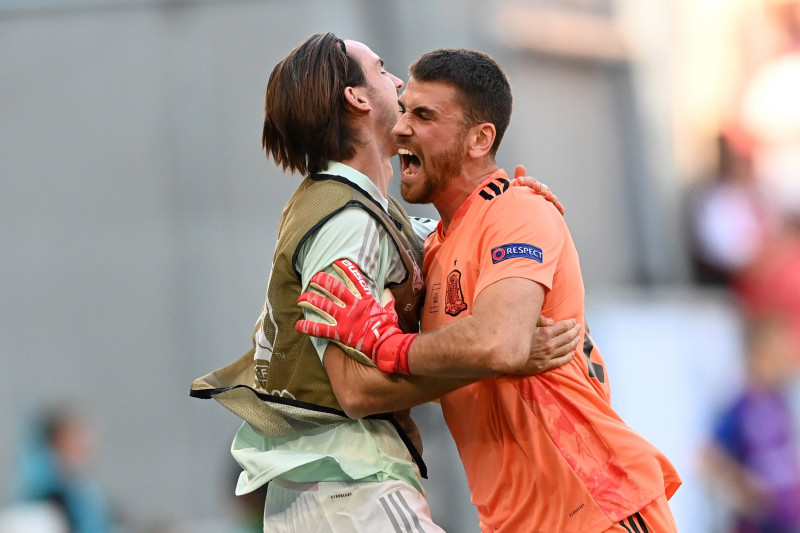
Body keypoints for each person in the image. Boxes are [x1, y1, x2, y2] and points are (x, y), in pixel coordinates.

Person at [190, 33, 579, 533]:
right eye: (381, 68)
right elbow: (352, 391)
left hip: (341, 490)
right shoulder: (344, 223)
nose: (397, 83)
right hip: (346, 489)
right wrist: (495, 359)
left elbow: (451, 237)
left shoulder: (364, 210)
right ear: (356, 97)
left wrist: (503, 199)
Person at [297, 48, 682, 532]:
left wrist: (389, 347)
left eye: (423, 115)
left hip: (596, 507)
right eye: (405, 109)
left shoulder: (517, 211)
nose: (399, 128)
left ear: (480, 139)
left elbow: (499, 342)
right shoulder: (434, 247)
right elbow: (463, 365)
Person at [702, 314, 800, 533]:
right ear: (757, 355)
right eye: (778, 353)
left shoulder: (782, 402)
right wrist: (743, 491)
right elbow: (707, 459)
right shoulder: (740, 407)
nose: (787, 359)